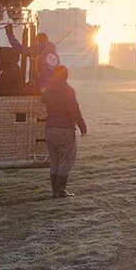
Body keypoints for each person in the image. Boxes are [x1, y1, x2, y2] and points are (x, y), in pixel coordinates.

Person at [40, 65, 87, 198]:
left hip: (49, 129)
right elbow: (75, 111)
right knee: (66, 160)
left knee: (54, 161)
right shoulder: (68, 90)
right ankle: (60, 191)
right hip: (65, 129)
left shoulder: (48, 90)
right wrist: (83, 127)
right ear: (66, 75)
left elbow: (43, 100)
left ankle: (55, 191)